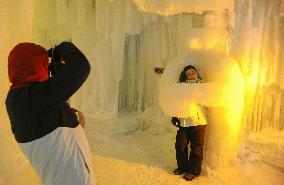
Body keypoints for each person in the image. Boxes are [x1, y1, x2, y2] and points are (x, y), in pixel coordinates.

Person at [5, 42, 95, 185]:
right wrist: (61, 48)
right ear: (34, 65)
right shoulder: (32, 99)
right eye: (43, 63)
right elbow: (81, 67)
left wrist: (74, 123)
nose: (47, 67)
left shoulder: (20, 100)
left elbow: (53, 128)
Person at [171, 65, 207, 181]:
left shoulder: (203, 86)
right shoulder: (181, 86)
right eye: (188, 73)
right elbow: (177, 102)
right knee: (180, 145)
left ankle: (193, 171)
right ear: (185, 76)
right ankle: (182, 167)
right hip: (184, 121)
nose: (191, 74)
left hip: (198, 121)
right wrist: (175, 115)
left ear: (197, 73)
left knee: (196, 147)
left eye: (193, 72)